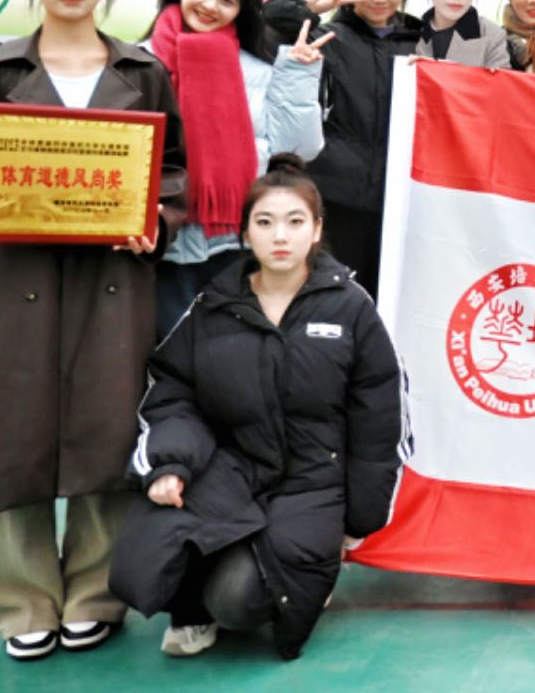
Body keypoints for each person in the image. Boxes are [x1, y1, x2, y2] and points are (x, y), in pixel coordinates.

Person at [0, 0, 187, 662]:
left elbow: (173, 169)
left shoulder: (143, 72)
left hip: (111, 279)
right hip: (12, 278)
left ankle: (95, 595)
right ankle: (23, 600)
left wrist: (155, 222)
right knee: (9, 428)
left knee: (108, 424)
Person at [111, 155, 404, 661]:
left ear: (317, 230)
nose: (280, 236)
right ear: (245, 233)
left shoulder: (351, 307)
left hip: (315, 483)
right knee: (147, 555)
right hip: (235, 469)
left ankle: (303, 574)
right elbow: (175, 392)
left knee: (235, 599)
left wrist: (360, 518)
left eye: (295, 221)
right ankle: (195, 603)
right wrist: (170, 464)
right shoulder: (214, 305)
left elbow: (379, 419)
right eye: (264, 223)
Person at [142, 0, 331, 339]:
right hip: (160, 243)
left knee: (232, 355)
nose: (211, 6)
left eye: (228, 0)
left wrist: (297, 74)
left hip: (235, 245)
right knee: (167, 356)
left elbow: (299, 149)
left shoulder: (258, 67)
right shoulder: (139, 64)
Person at [303, 0, 424, 300]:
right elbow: (267, 38)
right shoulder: (326, 38)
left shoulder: (423, 40)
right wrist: (308, 10)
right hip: (340, 197)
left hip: (405, 200)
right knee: (339, 299)